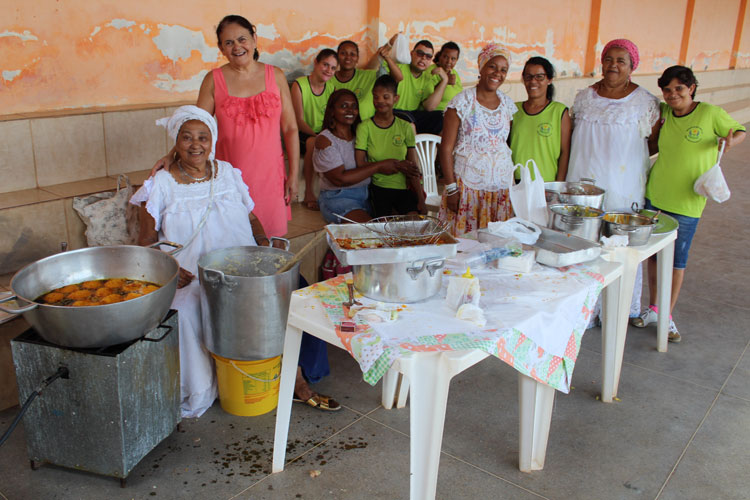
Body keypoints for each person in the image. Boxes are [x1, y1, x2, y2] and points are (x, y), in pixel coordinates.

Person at [132, 106, 268, 417]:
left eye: (203, 138)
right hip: (189, 273)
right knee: (184, 310)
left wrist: (263, 245)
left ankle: (265, 375)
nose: (196, 145)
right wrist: (168, 268)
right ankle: (204, 389)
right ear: (175, 142)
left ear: (213, 140)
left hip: (240, 268)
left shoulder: (229, 173)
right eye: (187, 138)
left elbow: (252, 217)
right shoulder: (161, 184)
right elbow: (144, 243)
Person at [633, 66, 746, 342]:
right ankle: (653, 308)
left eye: (679, 89)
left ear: (691, 88)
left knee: (677, 261)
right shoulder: (666, 113)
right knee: (655, 257)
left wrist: (729, 142)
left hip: (688, 203)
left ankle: (666, 316)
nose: (673, 95)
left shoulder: (709, 113)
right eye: (668, 90)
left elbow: (739, 130)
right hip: (656, 195)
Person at [566, 38, 660, 319]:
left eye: (621, 61)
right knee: (585, 240)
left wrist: (624, 161)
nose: (613, 65)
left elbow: (653, 143)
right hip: (583, 182)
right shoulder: (584, 97)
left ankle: (616, 310)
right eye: (609, 59)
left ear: (632, 67)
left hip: (623, 185)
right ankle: (587, 311)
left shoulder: (644, 102)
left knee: (619, 245)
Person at [437, 43, 516, 236]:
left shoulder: (507, 105)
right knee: (465, 247)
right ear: (481, 67)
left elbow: (502, 144)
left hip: (501, 189)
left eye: (503, 70)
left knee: (497, 246)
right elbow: (445, 149)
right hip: (468, 189)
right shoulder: (461, 102)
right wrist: (451, 189)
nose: (498, 73)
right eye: (492, 66)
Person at [314, 89, 399, 223]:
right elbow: (339, 179)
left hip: (368, 196)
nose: (350, 110)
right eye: (344, 106)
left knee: (402, 223)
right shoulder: (325, 140)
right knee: (371, 231)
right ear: (331, 111)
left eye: (354, 106)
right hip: (338, 198)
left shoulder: (361, 136)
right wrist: (378, 167)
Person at [355, 75, 425, 217]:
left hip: (403, 189)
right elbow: (360, 163)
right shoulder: (365, 127)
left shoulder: (405, 127)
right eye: (376, 97)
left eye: (386, 97)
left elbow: (412, 168)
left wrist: (421, 199)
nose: (380, 101)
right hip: (378, 189)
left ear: (395, 98)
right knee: (385, 227)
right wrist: (394, 164)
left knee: (414, 222)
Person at [509, 56, 571, 182]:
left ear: (549, 79)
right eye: (528, 76)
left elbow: (565, 153)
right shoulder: (513, 110)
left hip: (546, 182)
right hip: (516, 182)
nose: (533, 81)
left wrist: (558, 185)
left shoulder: (559, 111)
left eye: (539, 77)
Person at [292, 49, 338, 210]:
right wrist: (318, 135)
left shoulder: (332, 88)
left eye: (333, 68)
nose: (328, 70)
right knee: (313, 142)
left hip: (322, 132)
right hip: (303, 133)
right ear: (316, 63)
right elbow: (298, 120)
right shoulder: (300, 85)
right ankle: (310, 193)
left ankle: (335, 191)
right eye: (325, 64)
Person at [381, 39, 447, 134]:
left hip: (412, 114)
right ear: (412, 54)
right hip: (391, 112)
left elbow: (430, 107)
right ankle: (414, 149)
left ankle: (436, 149)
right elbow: (378, 67)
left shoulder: (427, 78)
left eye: (428, 57)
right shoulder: (399, 68)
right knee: (409, 121)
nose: (423, 58)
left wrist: (445, 81)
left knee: (442, 118)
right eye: (420, 53)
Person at [332, 40, 402, 121]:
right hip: (339, 127)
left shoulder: (368, 75)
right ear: (337, 57)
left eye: (352, 54)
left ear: (357, 59)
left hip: (366, 127)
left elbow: (398, 78)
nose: (348, 57)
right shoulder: (328, 79)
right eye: (343, 53)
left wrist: (387, 58)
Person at [430, 42, 463, 112]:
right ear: (440, 56)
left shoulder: (454, 73)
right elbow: (427, 99)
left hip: (453, 112)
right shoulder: (432, 71)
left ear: (457, 60)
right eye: (445, 57)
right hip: (436, 113)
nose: (449, 61)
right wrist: (445, 82)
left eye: (453, 59)